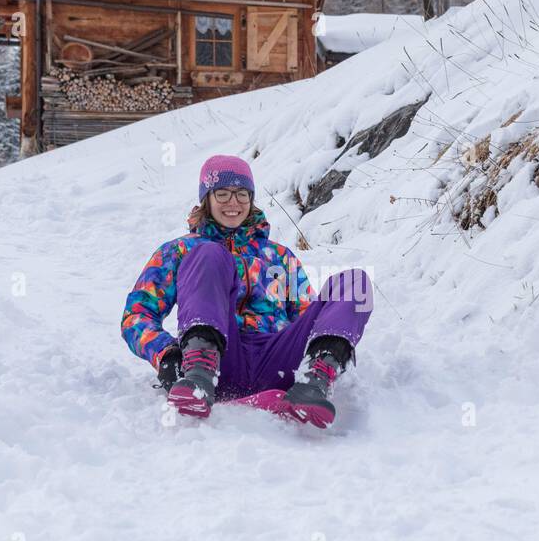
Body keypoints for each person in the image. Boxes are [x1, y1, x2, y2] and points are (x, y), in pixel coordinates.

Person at [120, 154, 373, 427]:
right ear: (207, 198)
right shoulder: (182, 251)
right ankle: (200, 373)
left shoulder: (278, 256)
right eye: (223, 193)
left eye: (242, 194)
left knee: (356, 283)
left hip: (278, 362)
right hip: (218, 361)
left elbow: (305, 315)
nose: (233, 202)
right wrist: (167, 355)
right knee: (208, 253)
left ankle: (315, 382)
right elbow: (136, 315)